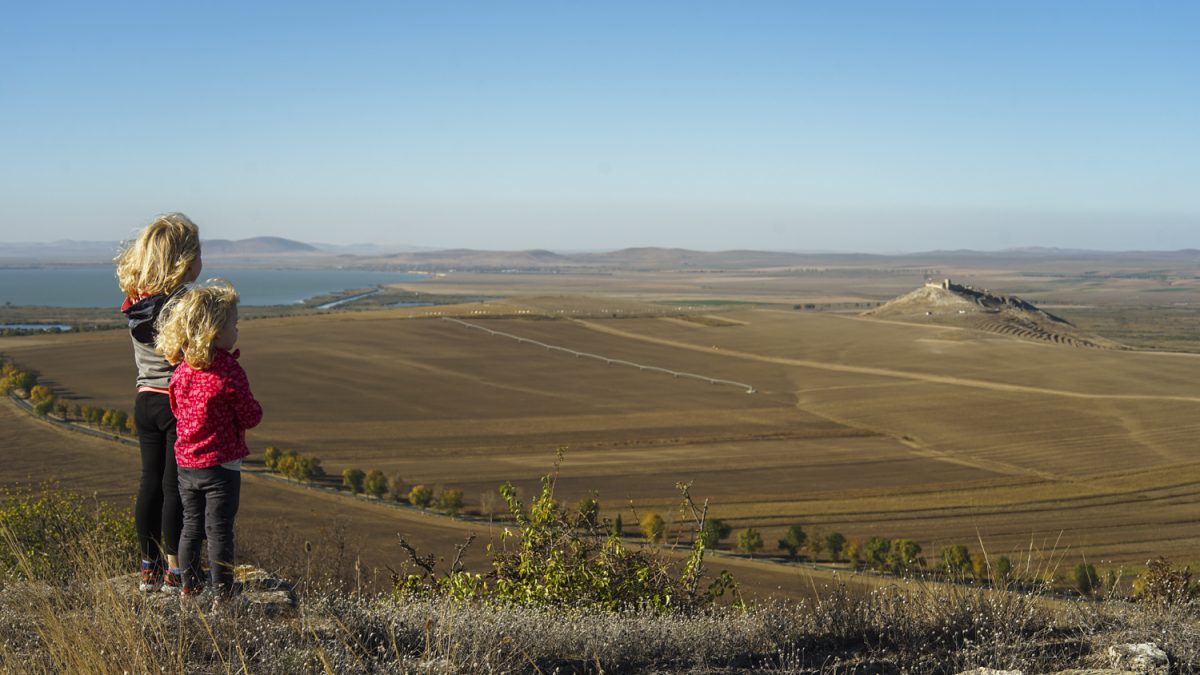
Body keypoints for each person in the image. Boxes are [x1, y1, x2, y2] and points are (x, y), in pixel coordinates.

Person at [155, 279, 262, 598]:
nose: (238, 330)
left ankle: (189, 588)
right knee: (219, 532)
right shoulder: (229, 371)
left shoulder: (181, 371)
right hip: (222, 466)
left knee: (191, 528)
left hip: (186, 465)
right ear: (215, 331)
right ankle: (222, 596)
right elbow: (250, 416)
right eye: (234, 324)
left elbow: (176, 408)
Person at [114, 213, 202, 592]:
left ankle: (147, 566)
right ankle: (175, 569)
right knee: (173, 489)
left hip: (144, 402)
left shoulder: (136, 301)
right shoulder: (185, 305)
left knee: (148, 483)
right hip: (175, 405)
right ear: (183, 259)